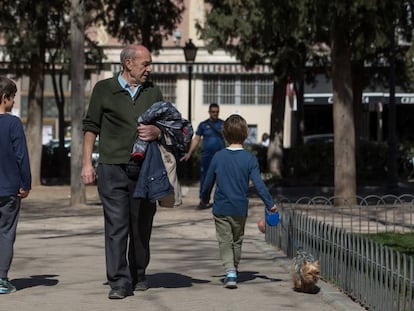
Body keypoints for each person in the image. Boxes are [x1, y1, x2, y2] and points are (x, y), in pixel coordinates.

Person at [81, 44, 164, 300]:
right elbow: (91, 128)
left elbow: (168, 125)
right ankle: (118, 281)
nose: (149, 69)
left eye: (149, 64)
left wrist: (157, 132)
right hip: (111, 168)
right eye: (145, 64)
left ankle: (139, 272)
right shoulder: (104, 89)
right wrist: (86, 164)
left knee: (141, 225)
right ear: (128, 63)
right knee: (116, 226)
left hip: (145, 169)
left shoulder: (153, 90)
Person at [200, 114, 277, 289]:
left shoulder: (218, 157)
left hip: (221, 207)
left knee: (224, 240)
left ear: (224, 134)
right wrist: (270, 204)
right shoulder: (249, 159)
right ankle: (233, 269)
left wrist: (204, 198)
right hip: (240, 207)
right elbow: (259, 184)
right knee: (237, 240)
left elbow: (207, 182)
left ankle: (230, 271)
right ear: (245, 134)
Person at [0, 77, 31, 294]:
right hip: (8, 188)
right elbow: (21, 156)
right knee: (6, 232)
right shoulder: (13, 123)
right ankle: (1, 279)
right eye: (12, 98)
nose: (13, 103)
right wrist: (25, 183)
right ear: (5, 98)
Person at [180, 103, 225, 209]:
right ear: (209, 112)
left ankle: (221, 201)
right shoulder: (203, 125)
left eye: (217, 112)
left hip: (221, 157)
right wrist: (189, 153)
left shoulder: (223, 124)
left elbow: (229, 137)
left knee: (221, 179)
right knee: (205, 178)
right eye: (213, 112)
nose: (215, 114)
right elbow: (196, 139)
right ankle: (204, 200)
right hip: (207, 157)